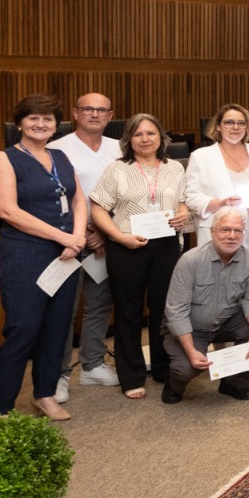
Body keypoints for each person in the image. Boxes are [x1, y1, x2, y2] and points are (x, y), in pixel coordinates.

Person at [0, 94, 88, 419]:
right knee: (23, 328)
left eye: (47, 119)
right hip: (26, 253)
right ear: (20, 122)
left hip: (66, 255)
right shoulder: (5, 158)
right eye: (34, 118)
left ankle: (44, 395)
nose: (41, 124)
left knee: (58, 327)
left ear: (56, 125)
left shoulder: (60, 156)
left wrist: (78, 238)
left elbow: (79, 202)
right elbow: (7, 210)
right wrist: (65, 237)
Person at [89, 113, 192, 398]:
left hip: (166, 246)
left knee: (164, 312)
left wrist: (183, 214)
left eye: (150, 133)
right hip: (127, 246)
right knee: (128, 313)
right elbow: (97, 207)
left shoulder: (174, 168)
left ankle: (161, 367)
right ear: (129, 140)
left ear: (161, 137)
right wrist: (118, 237)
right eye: (138, 134)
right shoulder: (117, 169)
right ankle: (131, 374)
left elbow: (181, 204)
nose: (145, 139)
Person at [48, 92, 122, 392]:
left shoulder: (120, 148)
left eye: (101, 109)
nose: (95, 114)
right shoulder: (56, 149)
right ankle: (59, 374)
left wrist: (104, 230)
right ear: (75, 113)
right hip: (67, 240)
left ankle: (92, 364)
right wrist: (83, 231)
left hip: (108, 237)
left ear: (110, 115)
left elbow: (128, 192)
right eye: (88, 109)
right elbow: (51, 198)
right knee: (63, 309)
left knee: (100, 304)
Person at [160, 207, 249, 404]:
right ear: (212, 231)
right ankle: (174, 384)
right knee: (186, 368)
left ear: (244, 233)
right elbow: (176, 312)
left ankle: (233, 384)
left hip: (227, 320)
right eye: (225, 230)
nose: (231, 236)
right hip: (191, 327)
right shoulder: (190, 261)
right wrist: (192, 351)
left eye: (238, 231)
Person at [185, 104, 249, 294]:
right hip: (221, 231)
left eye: (241, 123)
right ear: (218, 127)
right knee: (219, 291)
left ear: (248, 127)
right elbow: (191, 197)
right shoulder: (201, 156)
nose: (235, 127)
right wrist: (220, 203)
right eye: (229, 122)